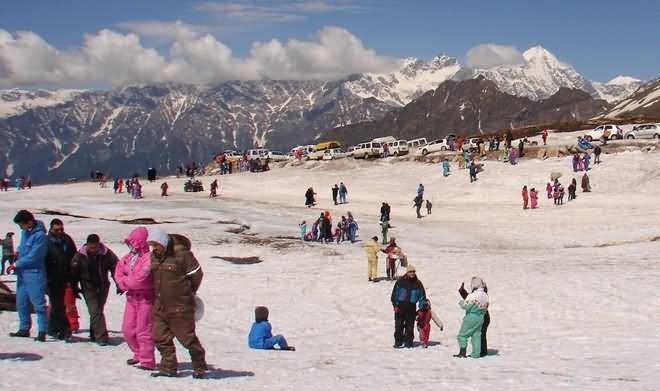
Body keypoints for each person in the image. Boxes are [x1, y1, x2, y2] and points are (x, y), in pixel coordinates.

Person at [148, 227, 207, 379]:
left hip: (180, 306)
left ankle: (199, 366)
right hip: (161, 305)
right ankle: (168, 368)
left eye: (156, 245)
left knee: (187, 339)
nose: (154, 248)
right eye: (152, 245)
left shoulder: (182, 255)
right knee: (159, 337)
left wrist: (188, 291)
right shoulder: (153, 256)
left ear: (163, 242)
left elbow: (197, 274)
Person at [115, 227, 156, 370]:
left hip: (146, 299)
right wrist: (125, 281)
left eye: (132, 242)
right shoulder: (128, 257)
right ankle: (137, 353)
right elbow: (118, 272)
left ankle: (147, 360)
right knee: (127, 329)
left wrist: (126, 281)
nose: (130, 245)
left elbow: (140, 280)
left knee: (143, 330)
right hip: (131, 298)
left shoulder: (149, 258)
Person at [71, 234, 120, 345]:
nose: (93, 250)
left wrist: (119, 284)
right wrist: (75, 287)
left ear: (99, 244)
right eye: (91, 247)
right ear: (87, 244)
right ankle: (101, 337)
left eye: (95, 247)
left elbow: (116, 268)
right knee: (95, 311)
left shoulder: (106, 253)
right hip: (88, 286)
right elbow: (74, 272)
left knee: (98, 310)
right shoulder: (80, 255)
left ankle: (94, 332)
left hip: (103, 285)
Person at [8, 210, 48, 342]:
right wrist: (18, 253)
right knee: (21, 303)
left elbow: (35, 256)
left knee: (38, 304)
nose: (21, 227)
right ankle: (24, 328)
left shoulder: (40, 236)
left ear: (29, 222)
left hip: (34, 273)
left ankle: (42, 330)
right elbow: (23, 246)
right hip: (22, 274)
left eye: (21, 224)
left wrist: (17, 263)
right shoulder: (25, 232)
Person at [45, 219, 77, 341]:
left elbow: (74, 255)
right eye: (57, 229)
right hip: (51, 277)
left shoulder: (67, 239)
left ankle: (52, 328)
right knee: (58, 304)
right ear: (51, 229)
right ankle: (65, 329)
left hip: (65, 277)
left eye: (61, 229)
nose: (60, 232)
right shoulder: (46, 241)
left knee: (58, 304)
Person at [391, 265, 426, 348]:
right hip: (400, 306)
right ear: (407, 272)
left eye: (414, 272)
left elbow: (422, 297)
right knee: (398, 326)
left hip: (411, 307)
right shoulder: (400, 281)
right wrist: (395, 305)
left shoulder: (418, 283)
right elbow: (394, 294)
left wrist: (421, 308)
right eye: (410, 272)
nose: (412, 273)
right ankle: (398, 341)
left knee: (409, 326)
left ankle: (408, 341)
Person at [455, 277, 489, 358]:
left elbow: (466, 306)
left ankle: (462, 353)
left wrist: (461, 303)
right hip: (481, 317)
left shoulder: (473, 295)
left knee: (462, 335)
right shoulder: (485, 295)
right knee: (476, 335)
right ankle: (476, 354)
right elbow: (486, 306)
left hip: (471, 317)